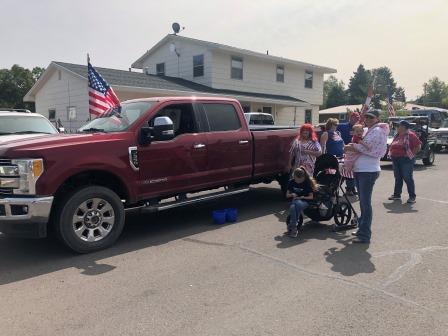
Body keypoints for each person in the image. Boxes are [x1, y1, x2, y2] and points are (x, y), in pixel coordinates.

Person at [344, 109, 389, 244]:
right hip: (361, 170)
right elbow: (359, 142)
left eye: (371, 117)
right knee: (363, 203)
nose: (368, 119)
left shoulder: (378, 131)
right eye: (367, 117)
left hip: (368, 171)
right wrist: (353, 146)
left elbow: (370, 148)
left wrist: (351, 147)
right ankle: (361, 229)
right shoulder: (368, 130)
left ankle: (364, 235)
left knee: (365, 203)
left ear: (377, 118)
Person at [388, 120, 422, 204]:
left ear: (403, 127)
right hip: (395, 158)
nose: (397, 127)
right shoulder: (398, 135)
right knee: (398, 177)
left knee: (407, 178)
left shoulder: (411, 135)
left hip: (405, 159)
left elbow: (418, 146)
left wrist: (410, 154)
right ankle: (397, 195)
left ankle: (412, 197)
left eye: (398, 126)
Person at [285, 166, 318, 238]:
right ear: (294, 176)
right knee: (293, 207)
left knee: (295, 205)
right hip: (295, 201)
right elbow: (287, 195)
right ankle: (294, 228)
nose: (299, 182)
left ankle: (292, 226)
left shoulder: (307, 183)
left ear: (303, 177)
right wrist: (292, 194)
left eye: (300, 180)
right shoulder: (291, 182)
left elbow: (311, 197)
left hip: (305, 201)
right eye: (297, 180)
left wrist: (302, 197)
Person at [338, 111, 361, 195]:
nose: (355, 120)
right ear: (350, 118)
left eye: (357, 118)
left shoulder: (359, 127)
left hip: (355, 151)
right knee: (347, 170)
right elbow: (330, 126)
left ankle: (352, 188)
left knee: (355, 170)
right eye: (354, 118)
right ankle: (348, 189)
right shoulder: (342, 126)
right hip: (345, 151)